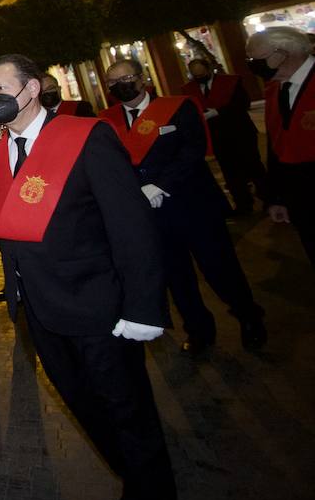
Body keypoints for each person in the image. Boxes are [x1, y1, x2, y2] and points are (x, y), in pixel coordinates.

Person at [0, 53, 179, 500]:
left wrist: (143, 308)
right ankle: (138, 492)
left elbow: (131, 226)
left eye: (0, 87)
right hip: (42, 313)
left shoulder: (85, 137)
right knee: (89, 412)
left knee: (130, 420)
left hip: (101, 312)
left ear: (31, 90)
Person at [100, 58, 266, 354]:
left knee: (220, 268)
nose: (120, 86)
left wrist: (160, 184)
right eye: (113, 82)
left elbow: (193, 150)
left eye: (126, 78)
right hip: (150, 216)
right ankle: (199, 329)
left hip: (194, 206)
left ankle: (248, 315)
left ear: (142, 78)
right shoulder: (107, 121)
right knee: (177, 277)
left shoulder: (178, 107)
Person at [248, 26, 315, 262]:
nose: (255, 66)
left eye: (260, 59)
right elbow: (276, 145)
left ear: (284, 52)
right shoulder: (275, 88)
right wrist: (276, 196)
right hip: (300, 197)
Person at [182, 57, 265, 214]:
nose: (199, 77)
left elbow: (243, 103)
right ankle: (243, 205)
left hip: (240, 132)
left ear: (209, 69)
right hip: (217, 137)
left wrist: (218, 112)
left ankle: (270, 199)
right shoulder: (189, 89)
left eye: (201, 73)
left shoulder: (230, 82)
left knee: (254, 166)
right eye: (196, 75)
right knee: (230, 172)